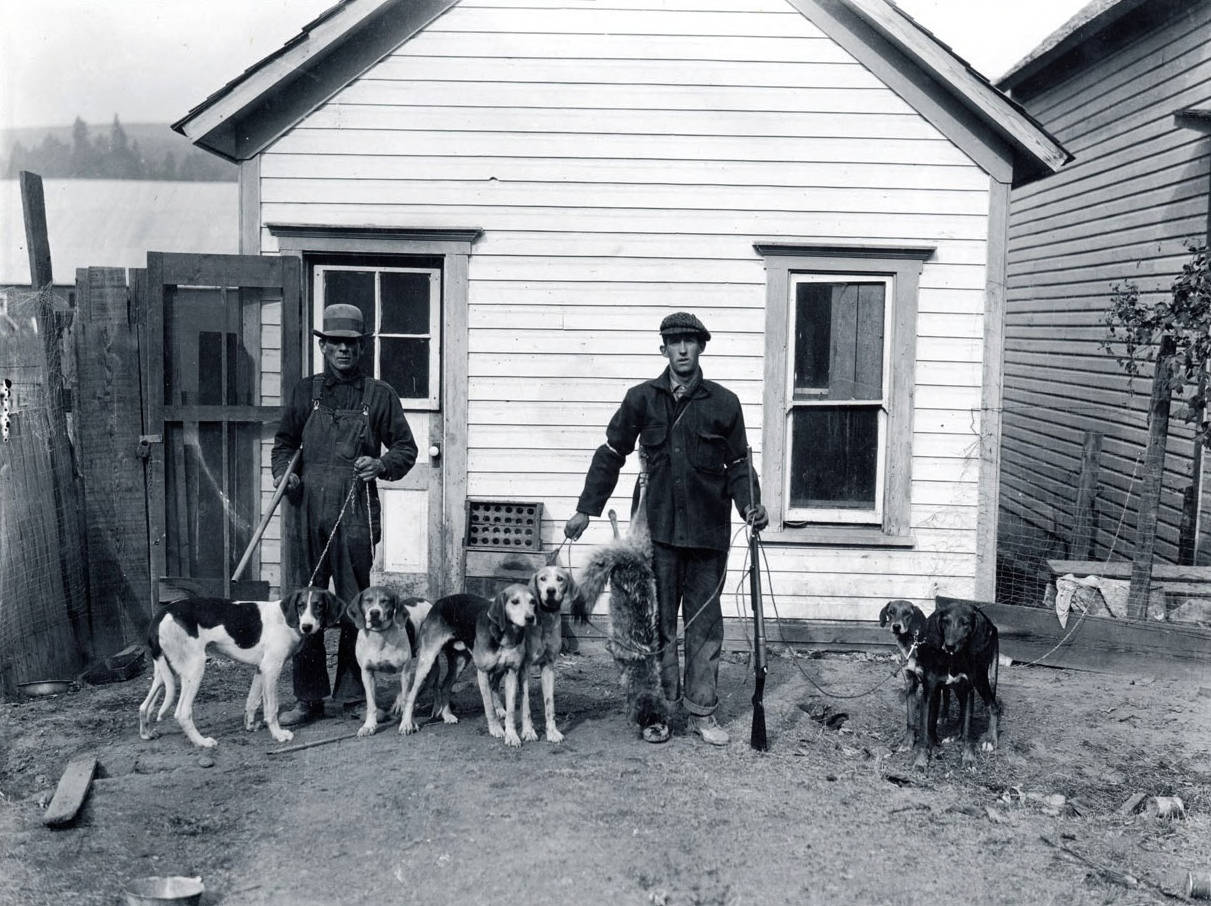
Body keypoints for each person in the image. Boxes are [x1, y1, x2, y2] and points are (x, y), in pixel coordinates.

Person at [564, 312, 767, 745]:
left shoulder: (725, 403)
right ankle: (657, 713)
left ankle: (702, 713)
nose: (682, 349)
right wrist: (586, 509)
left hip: (708, 536)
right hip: (655, 536)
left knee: (705, 626)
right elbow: (611, 452)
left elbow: (738, 465)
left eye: (690, 341)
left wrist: (752, 506)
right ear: (663, 349)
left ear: (701, 348)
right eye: (674, 341)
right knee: (655, 627)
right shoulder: (641, 399)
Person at [272, 303, 418, 726]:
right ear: (323, 346)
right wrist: (286, 475)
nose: (343, 350)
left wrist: (381, 465)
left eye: (351, 344)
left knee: (356, 601)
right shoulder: (305, 392)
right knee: (306, 603)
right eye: (335, 342)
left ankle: (355, 695)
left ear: (363, 347)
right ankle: (308, 696)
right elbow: (283, 445)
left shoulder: (380, 395)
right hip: (306, 510)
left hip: (355, 511)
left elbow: (405, 450)